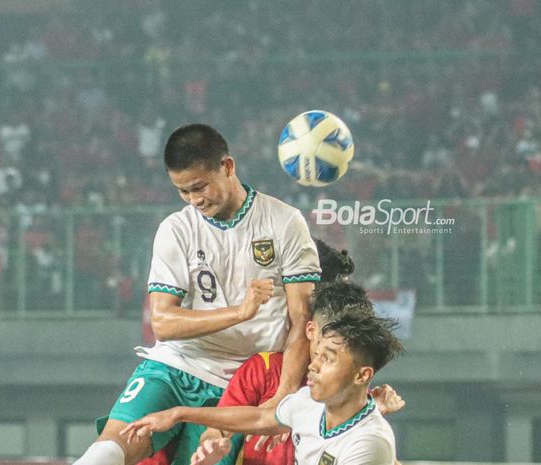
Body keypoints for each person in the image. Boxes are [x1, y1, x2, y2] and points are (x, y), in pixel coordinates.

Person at [72, 124, 321, 465]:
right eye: (183, 191)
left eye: (200, 186)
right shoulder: (176, 230)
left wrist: (283, 396)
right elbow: (163, 323)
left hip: (242, 385)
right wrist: (239, 312)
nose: (194, 200)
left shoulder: (284, 222)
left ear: (228, 167)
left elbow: (302, 319)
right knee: (109, 448)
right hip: (176, 365)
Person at [120, 281, 404, 465]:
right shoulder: (308, 401)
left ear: (362, 375)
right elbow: (258, 417)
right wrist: (179, 413)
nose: (313, 365)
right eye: (317, 354)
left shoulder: (368, 442)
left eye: (327, 359)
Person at [190, 240, 404, 465]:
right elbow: (219, 429)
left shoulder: (349, 385)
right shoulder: (263, 367)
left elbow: (374, 450)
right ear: (312, 328)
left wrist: (373, 417)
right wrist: (210, 442)